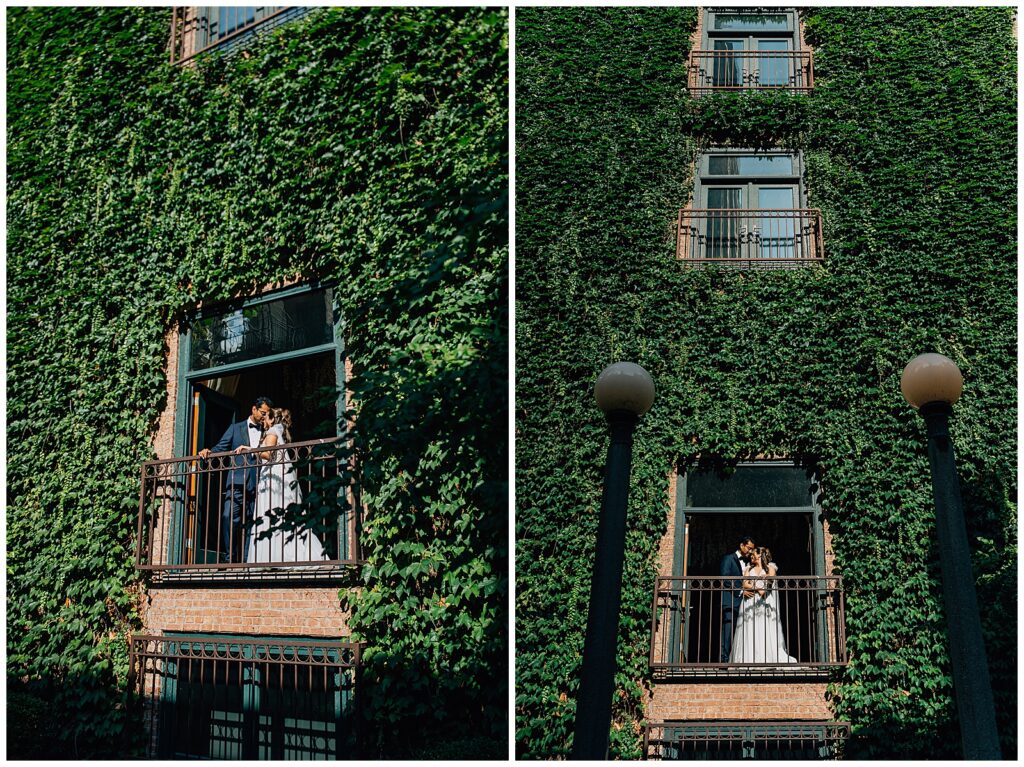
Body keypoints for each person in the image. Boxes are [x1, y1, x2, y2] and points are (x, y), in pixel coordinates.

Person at [247, 407, 328, 564]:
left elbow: (268, 454)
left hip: (272, 479)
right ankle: (276, 556)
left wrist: (250, 449)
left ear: (272, 420)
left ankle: (278, 557)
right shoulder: (279, 432)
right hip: (276, 476)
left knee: (270, 513)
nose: (263, 420)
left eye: (266, 418)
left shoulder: (272, 432)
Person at [199, 396, 273, 563]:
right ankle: (229, 558)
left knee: (253, 523)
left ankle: (247, 560)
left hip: (260, 483)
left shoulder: (268, 431)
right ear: (253, 409)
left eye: (266, 414)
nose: (264, 417)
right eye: (262, 413)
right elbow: (221, 447)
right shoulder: (235, 428)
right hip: (236, 482)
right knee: (228, 517)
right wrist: (208, 452)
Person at [730, 546, 798, 664]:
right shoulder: (747, 569)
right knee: (749, 628)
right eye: (750, 555)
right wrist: (757, 586)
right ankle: (748, 659)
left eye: (754, 554)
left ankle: (766, 658)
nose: (751, 556)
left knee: (764, 628)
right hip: (750, 602)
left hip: (765, 602)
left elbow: (769, 583)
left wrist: (757, 584)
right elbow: (745, 584)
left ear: (760, 555)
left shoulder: (771, 568)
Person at [720, 535, 755, 663]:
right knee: (728, 632)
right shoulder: (728, 559)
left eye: (752, 549)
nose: (750, 551)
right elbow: (725, 578)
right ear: (741, 545)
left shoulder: (749, 562)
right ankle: (724, 661)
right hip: (731, 601)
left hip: (745, 603)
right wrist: (741, 591)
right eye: (749, 548)